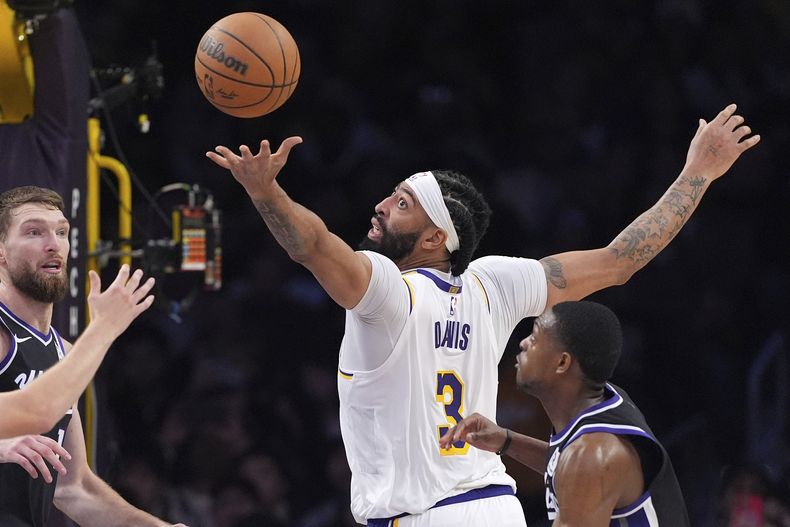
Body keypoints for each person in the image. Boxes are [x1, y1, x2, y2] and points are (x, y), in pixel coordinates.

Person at [206, 104, 758, 526]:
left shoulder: (390, 294)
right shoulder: (493, 285)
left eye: (402, 203)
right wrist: (698, 173)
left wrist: (265, 192)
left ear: (434, 238)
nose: (381, 205)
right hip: (493, 508)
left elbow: (313, 246)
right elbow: (620, 260)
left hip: (428, 515)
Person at [0, 186, 187, 527]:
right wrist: (103, 328)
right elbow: (37, 411)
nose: (53, 244)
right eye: (34, 232)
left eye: (61, 232)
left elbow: (74, 488)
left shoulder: (65, 352)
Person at [440, 300, 690, 525]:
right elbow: (567, 466)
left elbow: (582, 468)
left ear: (562, 362)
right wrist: (506, 440)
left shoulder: (594, 454)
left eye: (535, 339)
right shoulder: (602, 403)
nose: (523, 343)